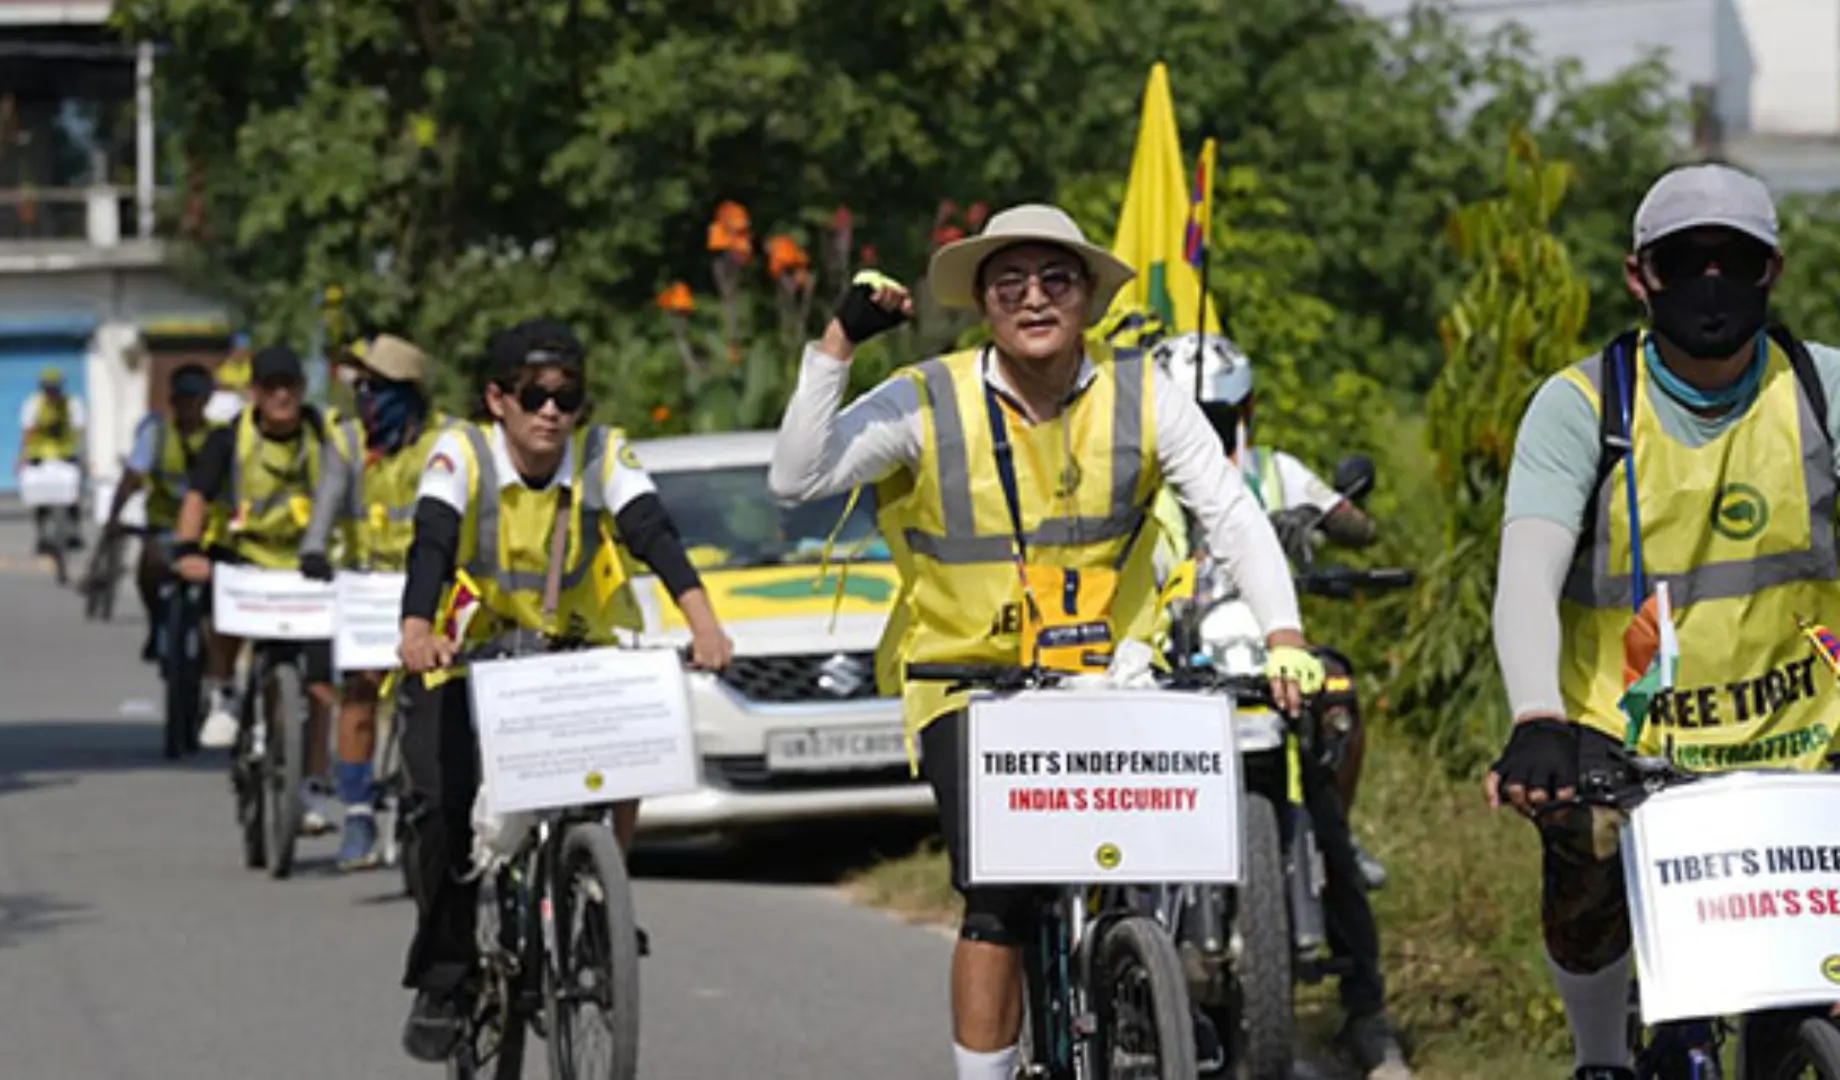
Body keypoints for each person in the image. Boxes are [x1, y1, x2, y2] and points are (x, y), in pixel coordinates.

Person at [767, 203, 1409, 1080]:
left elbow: (1231, 514)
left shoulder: (1144, 391)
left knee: (1150, 853)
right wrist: (839, 342)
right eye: (1010, 282)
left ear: (1089, 299)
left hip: (1113, 672)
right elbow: (795, 475)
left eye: (1056, 279)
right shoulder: (928, 398)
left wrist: (1285, 635)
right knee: (998, 897)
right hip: (969, 687)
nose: (1034, 299)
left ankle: (1147, 983)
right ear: (984, 303)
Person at [1489, 163, 1840, 1080]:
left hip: (1805, 736)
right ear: (1640, 275)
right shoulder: (1581, 409)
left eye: (1740, 261)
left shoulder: (1823, 393)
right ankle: (1599, 1057)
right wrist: (1538, 718)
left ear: (1776, 272)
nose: (1712, 284)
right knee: (1584, 857)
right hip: (1626, 743)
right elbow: (1525, 573)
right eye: (1687, 262)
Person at [393, 318, 733, 1062]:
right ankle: (446, 976)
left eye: (567, 395)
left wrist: (704, 623)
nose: (552, 411)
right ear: (497, 399)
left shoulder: (602, 452)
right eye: (534, 394)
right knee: (441, 809)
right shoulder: (461, 452)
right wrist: (418, 627)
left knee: (629, 752)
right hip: (467, 654)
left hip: (577, 649)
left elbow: (653, 530)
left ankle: (595, 900)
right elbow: (432, 540)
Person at [1150, 330, 1389, 887]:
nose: (1204, 428)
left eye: (1217, 414)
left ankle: (1337, 838)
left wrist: (1311, 516)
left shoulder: (1274, 470)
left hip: (1267, 649)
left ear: (1245, 409)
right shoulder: (1142, 481)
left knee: (1338, 692)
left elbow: (1360, 527)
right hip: (1174, 649)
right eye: (1191, 414)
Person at [172, 345, 349, 836]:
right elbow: (196, 498)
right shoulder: (230, 440)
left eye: (289, 385)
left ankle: (311, 785)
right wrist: (188, 549)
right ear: (254, 393)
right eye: (270, 387)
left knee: (318, 684)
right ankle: (226, 691)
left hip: (308, 569)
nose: (282, 395)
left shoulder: (323, 436)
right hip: (246, 561)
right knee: (219, 602)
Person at [299, 333, 449, 871]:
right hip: (369, 586)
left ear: (408, 394)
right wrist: (314, 549)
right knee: (358, 694)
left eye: (377, 387)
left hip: (432, 588)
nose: (367, 398)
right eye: (362, 387)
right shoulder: (346, 442)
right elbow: (327, 504)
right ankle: (359, 813)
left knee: (440, 698)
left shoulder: (444, 443)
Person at [99, 363, 218, 663]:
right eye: (182, 398)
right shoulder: (156, 434)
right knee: (149, 569)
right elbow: (131, 479)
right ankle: (157, 623)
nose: (188, 405)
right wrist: (114, 519)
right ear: (171, 400)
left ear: (206, 400)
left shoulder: (221, 437)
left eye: (195, 398)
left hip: (211, 531)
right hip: (165, 527)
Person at [18, 366, 87, 553]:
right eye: (48, 388)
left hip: (65, 454)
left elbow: (80, 433)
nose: (51, 392)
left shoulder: (72, 404)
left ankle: (74, 532)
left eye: (55, 388)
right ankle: (41, 536)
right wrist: (21, 458)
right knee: (39, 498)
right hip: (39, 454)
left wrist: (83, 458)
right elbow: (27, 433)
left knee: (73, 496)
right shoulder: (33, 404)